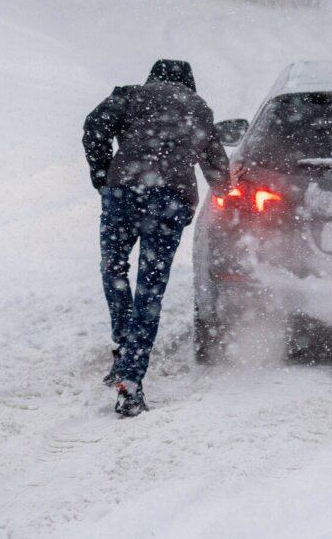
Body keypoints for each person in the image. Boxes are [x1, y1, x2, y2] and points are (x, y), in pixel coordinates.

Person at [83, 60, 230, 416]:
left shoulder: (131, 95)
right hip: (169, 201)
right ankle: (131, 382)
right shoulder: (197, 108)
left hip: (124, 194)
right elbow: (215, 163)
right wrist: (226, 190)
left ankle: (122, 346)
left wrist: (103, 175)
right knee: (151, 286)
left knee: (114, 269)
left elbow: (94, 127)